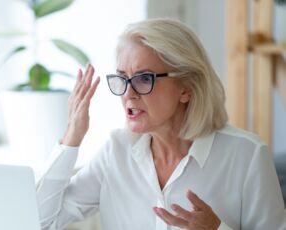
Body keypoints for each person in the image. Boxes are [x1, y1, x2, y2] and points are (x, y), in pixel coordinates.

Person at [36, 18, 286, 230]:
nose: (128, 94)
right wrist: (71, 137)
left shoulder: (247, 155)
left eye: (144, 78)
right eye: (123, 78)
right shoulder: (115, 152)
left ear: (186, 88)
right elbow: (40, 221)